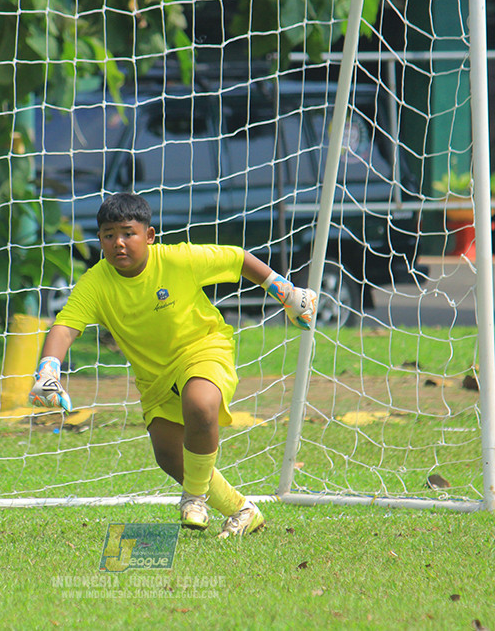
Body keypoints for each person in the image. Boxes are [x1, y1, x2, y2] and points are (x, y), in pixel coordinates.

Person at [28, 193, 316, 538]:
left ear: (149, 236)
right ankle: (242, 510)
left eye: (128, 233)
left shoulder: (179, 259)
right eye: (108, 235)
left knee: (200, 404)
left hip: (204, 348)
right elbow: (66, 325)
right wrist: (48, 370)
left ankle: (194, 498)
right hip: (155, 378)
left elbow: (238, 259)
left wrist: (284, 291)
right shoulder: (96, 283)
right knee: (168, 454)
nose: (118, 243)